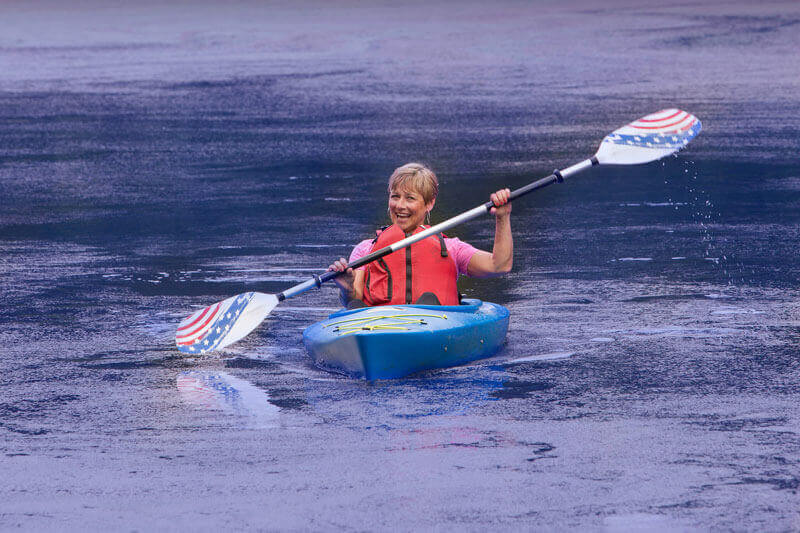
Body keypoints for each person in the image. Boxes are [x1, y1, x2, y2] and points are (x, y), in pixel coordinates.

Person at [328, 162, 512, 308]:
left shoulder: (451, 248)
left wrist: (502, 217)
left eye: (410, 198)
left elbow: (499, 265)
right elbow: (353, 299)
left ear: (429, 203)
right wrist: (348, 288)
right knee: (355, 306)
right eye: (395, 196)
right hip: (379, 328)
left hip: (435, 327)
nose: (400, 205)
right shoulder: (366, 250)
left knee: (428, 301)